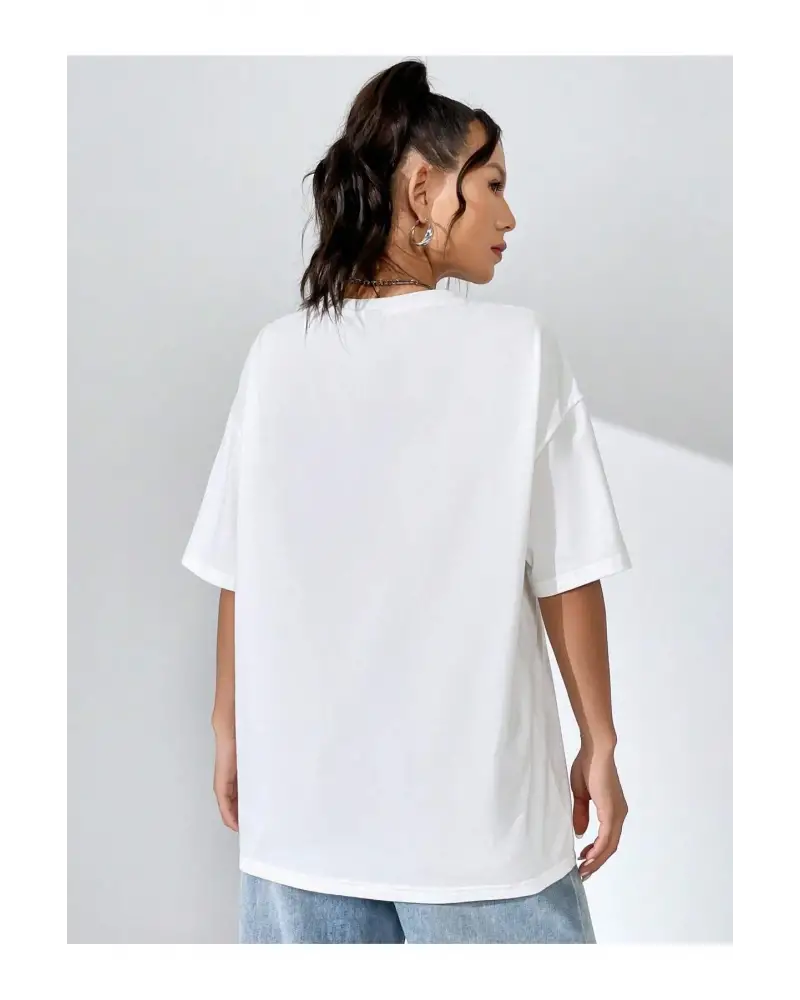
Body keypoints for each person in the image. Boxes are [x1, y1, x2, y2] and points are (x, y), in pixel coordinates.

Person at [181, 59, 631, 944]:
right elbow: (568, 571)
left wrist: (227, 726)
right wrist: (601, 741)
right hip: (477, 834)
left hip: (301, 821)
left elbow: (239, 569)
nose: (509, 216)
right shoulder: (520, 350)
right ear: (424, 189)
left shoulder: (275, 356)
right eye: (492, 184)